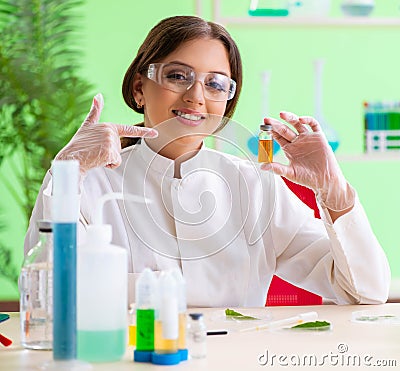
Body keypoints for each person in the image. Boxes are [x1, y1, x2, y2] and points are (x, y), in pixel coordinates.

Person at [24, 15, 390, 307]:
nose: (196, 95)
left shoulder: (256, 185)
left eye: (216, 84)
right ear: (139, 88)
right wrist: (67, 170)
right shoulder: (91, 184)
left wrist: (334, 189)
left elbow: (365, 292)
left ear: (227, 102)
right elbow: (47, 302)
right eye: (178, 76)